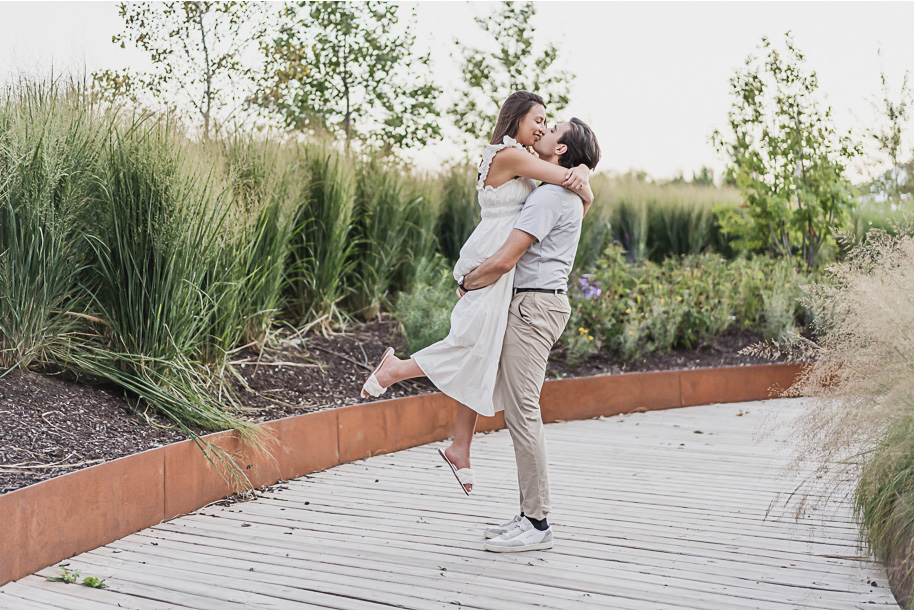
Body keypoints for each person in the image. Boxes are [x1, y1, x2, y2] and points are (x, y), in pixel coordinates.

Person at [360, 92, 593, 494]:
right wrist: (585, 177)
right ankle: (393, 370)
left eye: (547, 123)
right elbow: (566, 179)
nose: (541, 126)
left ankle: (460, 447)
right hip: (490, 259)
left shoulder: (524, 160)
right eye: (538, 119)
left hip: (499, 261)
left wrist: (582, 176)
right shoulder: (510, 155)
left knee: (480, 350)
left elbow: (562, 197)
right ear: (516, 119)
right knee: (469, 342)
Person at [460, 117, 601, 552]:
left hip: (533, 305)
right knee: (521, 412)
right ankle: (527, 514)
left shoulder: (550, 197)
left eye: (553, 128)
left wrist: (468, 281)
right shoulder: (563, 193)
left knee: (523, 412)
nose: (544, 130)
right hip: (539, 303)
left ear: (561, 150)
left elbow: (505, 260)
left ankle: (538, 525)